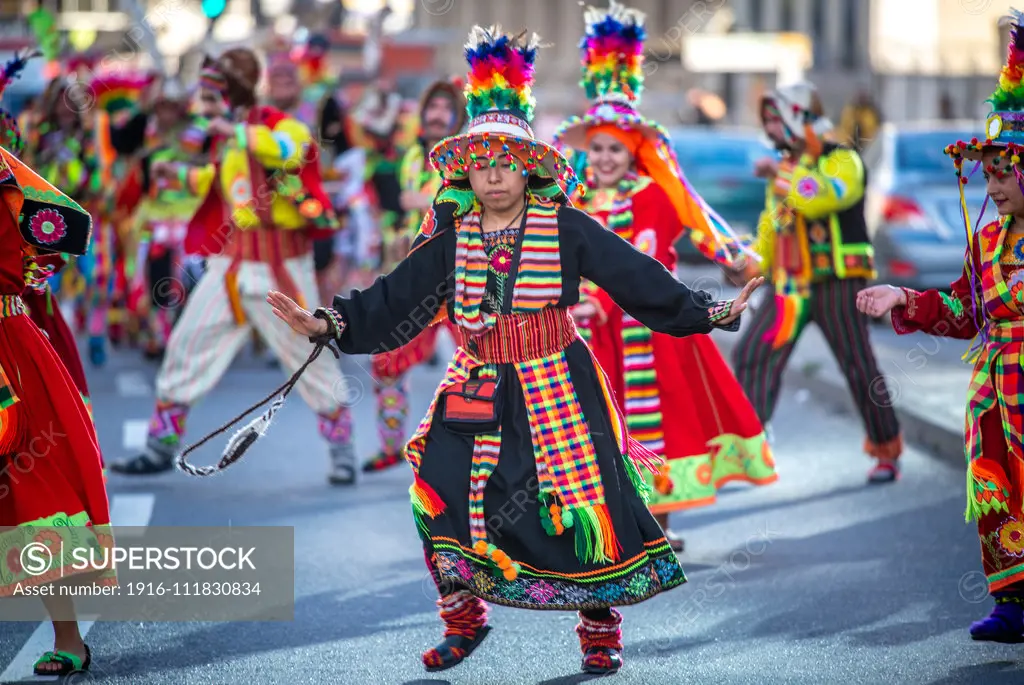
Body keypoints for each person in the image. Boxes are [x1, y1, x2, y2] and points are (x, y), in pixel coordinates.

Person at [267, 26, 762, 675]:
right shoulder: (452, 234)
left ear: (528, 165)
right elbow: (397, 297)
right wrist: (329, 322)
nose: (494, 171)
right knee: (434, 487)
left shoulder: (566, 227)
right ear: (466, 168)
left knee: (584, 504)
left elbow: (638, 277)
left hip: (557, 380)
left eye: (506, 159)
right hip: (475, 382)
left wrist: (712, 310)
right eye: (481, 160)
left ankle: (598, 627)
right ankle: (464, 617)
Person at [553, 1, 776, 552]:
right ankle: (611, 522)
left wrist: (739, 260)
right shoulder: (575, 203)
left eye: (614, 149)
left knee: (667, 424)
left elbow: (704, 226)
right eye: (597, 148)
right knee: (601, 426)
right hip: (595, 334)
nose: (603, 158)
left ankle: (663, 521)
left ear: (634, 154)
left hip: (656, 332)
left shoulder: (658, 194)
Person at [109, 48, 360, 484]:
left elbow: (293, 152)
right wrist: (182, 175)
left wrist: (239, 133)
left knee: (310, 358)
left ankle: (342, 450)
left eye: (214, 94)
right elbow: (226, 183)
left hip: (279, 269)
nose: (205, 106)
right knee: (187, 345)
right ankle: (158, 446)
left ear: (236, 90)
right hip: (230, 267)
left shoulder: (280, 127)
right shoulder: (228, 137)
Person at [857, 8, 1024, 641]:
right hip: (994, 395)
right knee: (996, 491)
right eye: (990, 170)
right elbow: (964, 311)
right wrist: (903, 295)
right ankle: (1012, 602)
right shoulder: (986, 241)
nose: (994, 182)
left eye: (1006, 169)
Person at [725, 80, 903, 483]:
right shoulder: (785, 167)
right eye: (766, 121)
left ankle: (886, 449)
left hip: (838, 284)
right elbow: (775, 225)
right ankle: (754, 449)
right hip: (787, 287)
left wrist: (782, 175)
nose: (769, 130)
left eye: (776, 119)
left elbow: (825, 196)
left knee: (858, 365)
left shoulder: (843, 159)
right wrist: (752, 263)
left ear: (801, 117)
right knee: (751, 354)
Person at [0, 128, 115, 677]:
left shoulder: (5, 175)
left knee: (34, 488)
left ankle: (68, 636)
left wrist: (24, 286)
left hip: (7, 348)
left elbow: (69, 228)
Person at [361, 76, 466, 474]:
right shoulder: (409, 157)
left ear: (458, 118)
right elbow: (404, 215)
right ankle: (392, 446)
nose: (437, 115)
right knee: (387, 360)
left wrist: (424, 201)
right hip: (415, 278)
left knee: (485, 364)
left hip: (462, 280)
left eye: (446, 109)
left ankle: (479, 456)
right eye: (432, 108)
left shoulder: (467, 161)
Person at [108, 75, 205, 360]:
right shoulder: (144, 128)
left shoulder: (201, 130)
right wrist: (143, 107)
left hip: (193, 217)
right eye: (161, 106)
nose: (166, 113)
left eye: (172, 107)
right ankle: (158, 334)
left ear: (181, 108)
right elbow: (119, 141)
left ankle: (191, 335)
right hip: (154, 218)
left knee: (194, 280)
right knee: (155, 276)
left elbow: (221, 155)